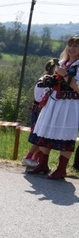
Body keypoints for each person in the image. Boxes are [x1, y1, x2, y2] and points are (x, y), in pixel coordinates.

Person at [28, 36, 79, 179]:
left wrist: (65, 76)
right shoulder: (63, 62)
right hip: (54, 102)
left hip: (70, 104)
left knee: (66, 136)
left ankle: (61, 169)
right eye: (70, 45)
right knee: (45, 131)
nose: (72, 48)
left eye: (76, 46)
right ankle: (43, 164)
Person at [22, 58, 59, 168]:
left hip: (41, 108)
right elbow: (41, 97)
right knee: (40, 134)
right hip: (41, 109)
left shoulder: (48, 79)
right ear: (53, 68)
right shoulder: (46, 80)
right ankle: (29, 157)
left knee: (44, 135)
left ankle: (36, 159)